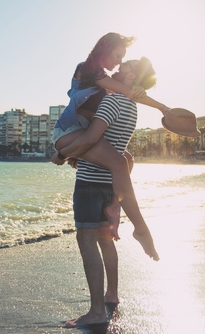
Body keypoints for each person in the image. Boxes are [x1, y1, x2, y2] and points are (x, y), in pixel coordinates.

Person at [64, 57, 158, 328]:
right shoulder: (132, 107)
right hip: (109, 183)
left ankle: (96, 312)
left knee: (86, 240)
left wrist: (63, 153)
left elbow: (93, 137)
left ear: (131, 79)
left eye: (122, 71)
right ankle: (111, 295)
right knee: (106, 239)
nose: (116, 72)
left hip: (90, 180)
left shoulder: (112, 101)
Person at [52, 32, 168, 249]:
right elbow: (127, 91)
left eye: (123, 58)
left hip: (85, 133)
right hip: (70, 130)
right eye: (117, 55)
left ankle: (115, 208)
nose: (119, 62)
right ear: (105, 49)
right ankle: (140, 228)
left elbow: (127, 93)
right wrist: (161, 107)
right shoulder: (87, 69)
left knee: (127, 159)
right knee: (119, 162)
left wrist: (154, 102)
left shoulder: (107, 81)